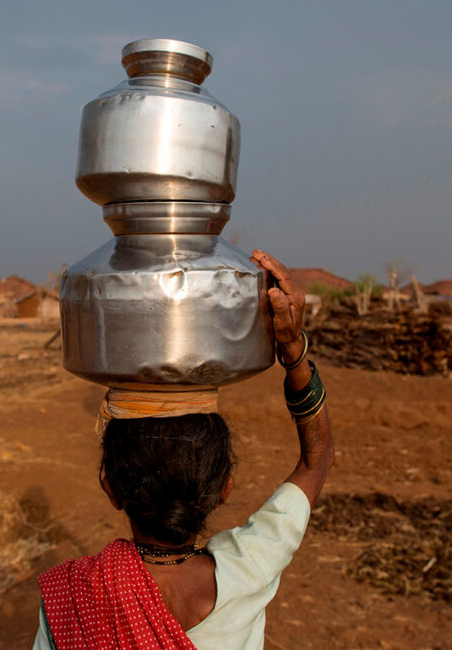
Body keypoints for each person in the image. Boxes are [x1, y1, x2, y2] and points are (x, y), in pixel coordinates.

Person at [33, 250, 334, 649]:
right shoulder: (251, 568)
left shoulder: (71, 600)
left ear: (111, 489)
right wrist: (293, 349)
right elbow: (318, 458)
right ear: (225, 486)